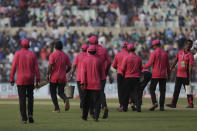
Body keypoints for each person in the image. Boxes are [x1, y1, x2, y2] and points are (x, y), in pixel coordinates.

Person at [10, 38, 40, 124]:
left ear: (21, 45)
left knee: (22, 99)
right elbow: (36, 69)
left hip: (21, 80)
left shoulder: (17, 53)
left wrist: (11, 79)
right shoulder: (33, 54)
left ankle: (24, 118)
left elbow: (13, 67)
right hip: (30, 79)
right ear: (29, 45)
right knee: (30, 98)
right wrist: (37, 80)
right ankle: (30, 115)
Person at [143, 40, 170, 111]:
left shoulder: (154, 53)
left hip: (155, 74)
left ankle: (154, 102)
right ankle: (162, 107)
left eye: (153, 46)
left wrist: (141, 67)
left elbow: (149, 64)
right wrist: (169, 75)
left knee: (151, 89)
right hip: (163, 75)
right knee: (162, 91)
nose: (153, 47)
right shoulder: (165, 53)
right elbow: (168, 66)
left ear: (155, 45)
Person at [88, 35, 112, 119]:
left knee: (91, 93)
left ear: (90, 42)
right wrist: (106, 71)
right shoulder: (103, 49)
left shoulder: (89, 50)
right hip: (102, 75)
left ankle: (92, 111)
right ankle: (104, 106)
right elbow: (109, 62)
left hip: (92, 75)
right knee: (101, 92)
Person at [166, 40, 194, 108]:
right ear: (185, 44)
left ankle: (190, 104)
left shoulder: (190, 55)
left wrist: (189, 76)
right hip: (178, 75)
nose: (189, 46)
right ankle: (173, 104)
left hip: (186, 75)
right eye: (187, 44)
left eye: (190, 44)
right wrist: (171, 68)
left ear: (191, 46)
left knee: (188, 90)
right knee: (176, 90)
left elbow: (190, 67)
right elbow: (175, 61)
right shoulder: (180, 52)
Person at [47, 41, 71, 113]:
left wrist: (48, 74)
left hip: (54, 77)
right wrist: (65, 72)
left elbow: (50, 65)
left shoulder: (52, 55)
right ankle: (65, 99)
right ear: (62, 47)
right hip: (62, 77)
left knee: (53, 92)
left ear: (55, 47)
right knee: (60, 92)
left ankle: (57, 108)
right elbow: (69, 66)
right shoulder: (65, 56)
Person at [80, 45, 102, 122]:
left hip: (87, 84)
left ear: (88, 51)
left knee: (86, 102)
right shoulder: (99, 60)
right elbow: (102, 74)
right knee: (97, 102)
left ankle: (84, 116)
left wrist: (82, 83)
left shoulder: (84, 60)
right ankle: (96, 117)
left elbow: (83, 73)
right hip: (96, 84)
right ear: (95, 51)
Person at [120, 44, 142, 112]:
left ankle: (125, 108)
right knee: (136, 93)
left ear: (128, 50)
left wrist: (123, 75)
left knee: (126, 93)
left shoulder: (126, 58)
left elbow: (122, 68)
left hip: (128, 77)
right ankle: (138, 107)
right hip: (136, 77)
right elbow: (140, 68)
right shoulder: (138, 58)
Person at [68, 44, 89, 109]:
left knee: (81, 92)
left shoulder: (78, 56)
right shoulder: (89, 56)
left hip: (79, 77)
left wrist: (71, 75)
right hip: (88, 78)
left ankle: (82, 104)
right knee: (87, 92)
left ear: (81, 49)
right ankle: (85, 104)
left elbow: (74, 66)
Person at [112, 42, 128, 109]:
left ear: (122, 47)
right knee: (126, 90)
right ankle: (126, 105)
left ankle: (121, 105)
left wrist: (118, 69)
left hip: (119, 73)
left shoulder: (118, 54)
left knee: (120, 90)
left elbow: (113, 65)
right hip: (127, 74)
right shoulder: (129, 54)